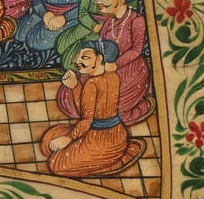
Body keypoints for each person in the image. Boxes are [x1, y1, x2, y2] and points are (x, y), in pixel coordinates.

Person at [38, 39, 145, 177]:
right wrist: (76, 86)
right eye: (78, 56)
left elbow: (87, 119)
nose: (77, 61)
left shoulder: (92, 83)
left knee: (56, 163)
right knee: (49, 140)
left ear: (99, 59)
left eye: (85, 57)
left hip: (100, 138)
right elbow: (90, 110)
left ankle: (112, 164)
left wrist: (68, 138)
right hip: (118, 135)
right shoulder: (113, 76)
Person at [89, 0, 153, 124]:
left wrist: (116, 64)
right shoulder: (108, 22)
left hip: (132, 70)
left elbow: (137, 50)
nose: (98, 1)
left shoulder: (136, 20)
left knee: (117, 115)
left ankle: (145, 105)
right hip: (110, 71)